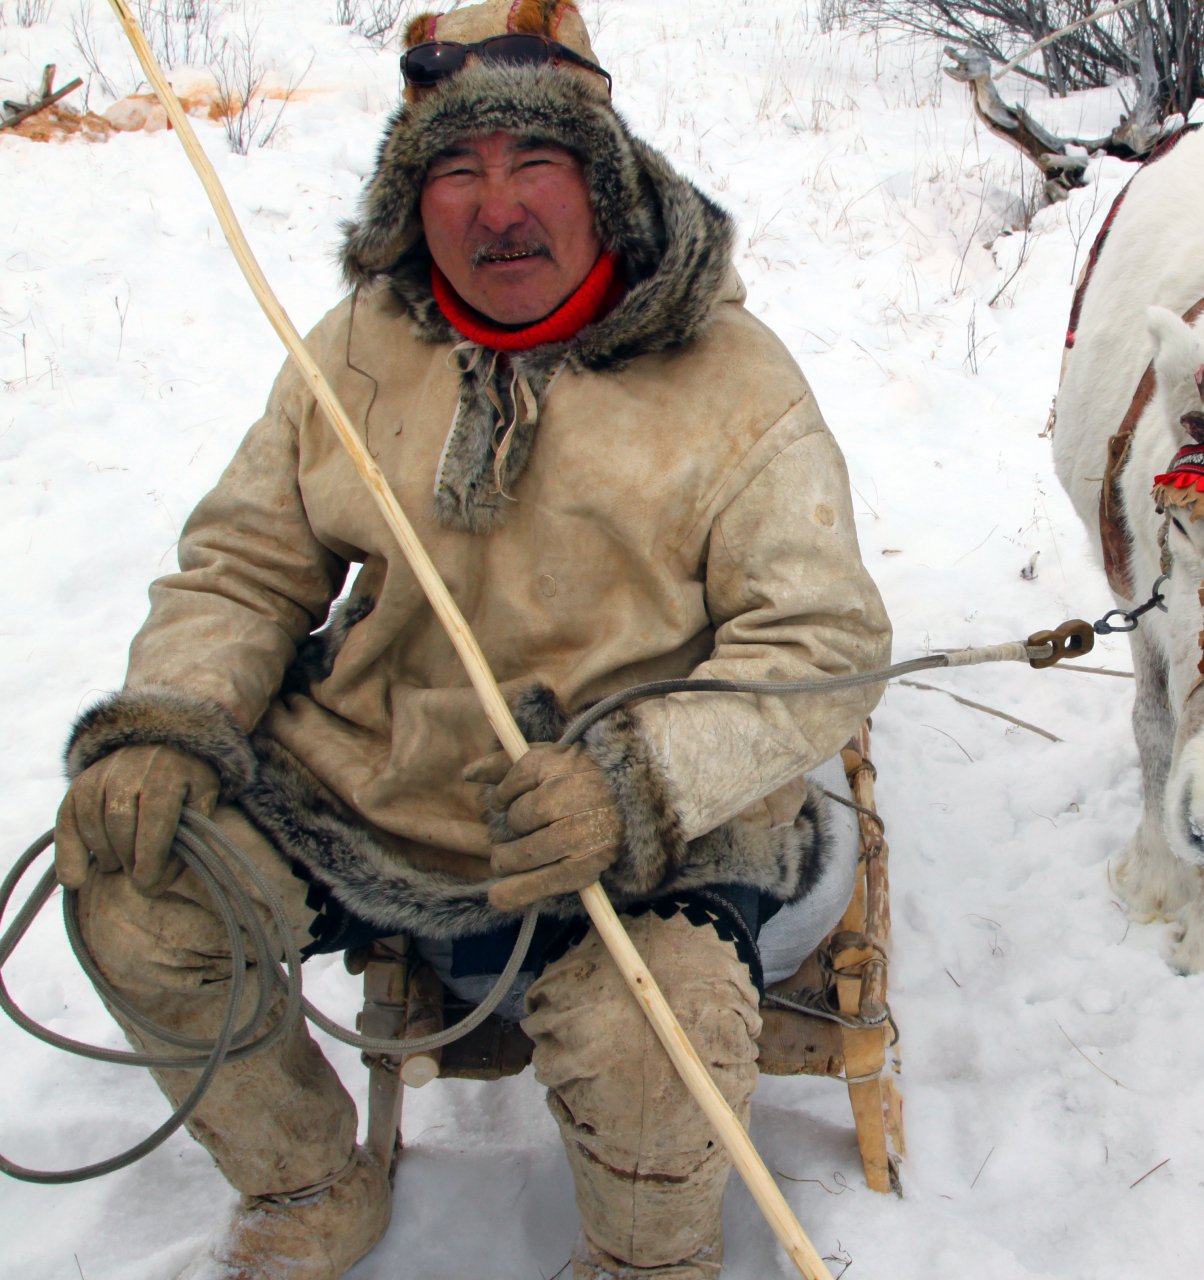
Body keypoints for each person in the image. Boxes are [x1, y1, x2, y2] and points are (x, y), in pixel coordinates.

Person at [50, 2, 891, 1276]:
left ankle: (648, 1258)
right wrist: (171, 719)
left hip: (641, 825)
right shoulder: (356, 350)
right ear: (412, 191)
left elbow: (825, 640)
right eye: (455, 167)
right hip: (373, 779)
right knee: (136, 895)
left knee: (654, 1040)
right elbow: (244, 565)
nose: (496, 207)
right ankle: (308, 1180)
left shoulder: (731, 377)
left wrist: (639, 779)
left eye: (534, 160)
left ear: (603, 181)